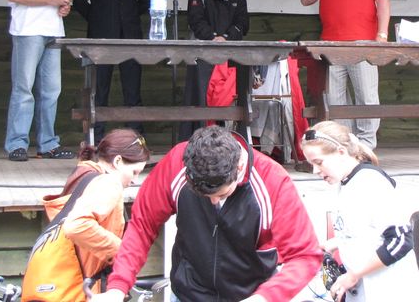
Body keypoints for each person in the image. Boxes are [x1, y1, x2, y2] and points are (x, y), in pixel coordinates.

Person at [91, 125, 323, 302]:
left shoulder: (272, 180)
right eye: (203, 195)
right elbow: (142, 226)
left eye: (221, 195)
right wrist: (117, 288)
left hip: (250, 294)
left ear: (239, 168)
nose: (213, 202)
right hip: (188, 293)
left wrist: (265, 297)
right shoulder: (176, 163)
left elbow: (304, 255)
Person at [300, 0, 391, 149]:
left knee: (366, 96)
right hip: (331, 43)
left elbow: (382, 0)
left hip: (362, 42)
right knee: (334, 98)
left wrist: (381, 35)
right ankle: (345, 144)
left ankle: (366, 146)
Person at [300, 120, 412, 302]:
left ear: (341, 152)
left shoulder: (370, 182)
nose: (315, 170)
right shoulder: (345, 182)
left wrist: (354, 275)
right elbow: (367, 231)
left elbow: (401, 239)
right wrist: (335, 243)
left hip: (386, 291)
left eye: (319, 162)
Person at [41, 129, 150, 298]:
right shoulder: (108, 183)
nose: (135, 180)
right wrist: (122, 251)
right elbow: (76, 225)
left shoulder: (85, 173)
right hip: (83, 288)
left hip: (62, 283)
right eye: (134, 172)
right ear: (118, 161)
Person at [2, 0, 74, 161]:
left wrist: (63, 5)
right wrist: (50, 0)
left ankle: (48, 143)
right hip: (29, 30)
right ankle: (16, 144)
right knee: (24, 89)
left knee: (51, 91)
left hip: (53, 30)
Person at [73, 0, 150, 141]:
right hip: (101, 36)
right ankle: (96, 139)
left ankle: (135, 140)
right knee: (99, 90)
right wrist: (98, 19)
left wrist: (127, 17)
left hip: (130, 36)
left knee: (132, 90)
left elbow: (144, 1)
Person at [180, 0, 249, 141]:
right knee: (201, 100)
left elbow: (243, 22)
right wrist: (212, 38)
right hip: (203, 52)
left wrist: (226, 38)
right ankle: (198, 140)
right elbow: (195, 19)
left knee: (230, 98)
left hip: (230, 52)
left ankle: (229, 141)